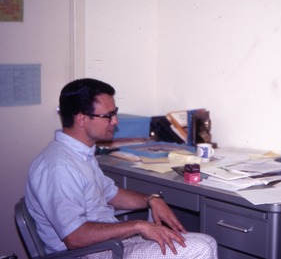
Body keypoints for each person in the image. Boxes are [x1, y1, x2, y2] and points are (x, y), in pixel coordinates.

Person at [25, 78, 218, 259]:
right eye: (108, 116)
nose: (115, 121)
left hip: (108, 243)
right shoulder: (57, 167)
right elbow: (75, 238)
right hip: (88, 253)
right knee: (201, 249)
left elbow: (112, 194)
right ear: (82, 119)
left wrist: (151, 199)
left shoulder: (81, 154)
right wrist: (137, 226)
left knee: (207, 240)